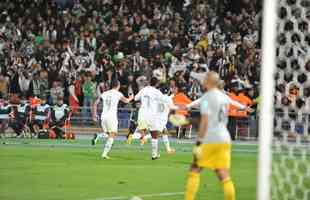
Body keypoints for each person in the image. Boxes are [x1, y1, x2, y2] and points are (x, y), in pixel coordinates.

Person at [185, 72, 238, 200]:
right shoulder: (224, 97)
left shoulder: (206, 98)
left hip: (210, 139)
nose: (202, 81)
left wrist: (198, 142)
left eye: (204, 79)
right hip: (224, 138)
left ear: (209, 81)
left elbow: (205, 121)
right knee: (223, 173)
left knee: (195, 168)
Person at [92, 79, 133, 159]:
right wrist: (131, 97)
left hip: (103, 116)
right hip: (112, 117)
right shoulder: (118, 94)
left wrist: (94, 114)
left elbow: (95, 103)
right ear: (118, 85)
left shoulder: (105, 93)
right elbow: (126, 101)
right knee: (112, 134)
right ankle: (104, 154)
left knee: (108, 134)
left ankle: (98, 136)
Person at [134, 77, 164, 160]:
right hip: (152, 115)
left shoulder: (143, 90)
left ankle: (131, 136)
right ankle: (154, 155)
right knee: (154, 135)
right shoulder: (157, 92)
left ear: (150, 82)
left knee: (141, 133)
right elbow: (163, 100)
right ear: (157, 84)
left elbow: (135, 98)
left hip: (142, 114)